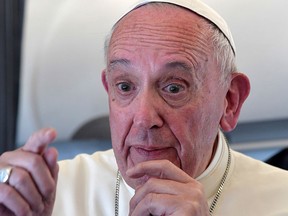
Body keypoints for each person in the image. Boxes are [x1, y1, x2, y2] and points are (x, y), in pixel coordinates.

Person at [1, 0, 288, 215]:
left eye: (174, 87)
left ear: (230, 101)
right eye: (125, 86)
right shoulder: (47, 193)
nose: (144, 118)